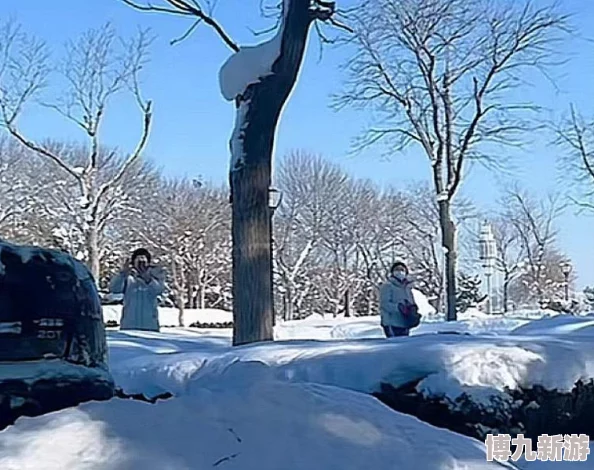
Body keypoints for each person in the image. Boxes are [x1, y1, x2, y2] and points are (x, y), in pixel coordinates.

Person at [110, 248, 165, 332]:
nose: (141, 265)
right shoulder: (128, 277)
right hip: (129, 324)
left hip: (150, 324)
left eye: (143, 261)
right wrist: (123, 274)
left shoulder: (155, 275)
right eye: (138, 261)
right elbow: (115, 289)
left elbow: (158, 290)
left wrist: (147, 279)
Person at [379, 261, 421, 337]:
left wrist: (413, 308)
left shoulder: (407, 287)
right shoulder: (387, 286)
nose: (400, 272)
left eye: (402, 270)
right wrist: (398, 307)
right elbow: (384, 304)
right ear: (392, 272)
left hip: (405, 322)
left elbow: (411, 301)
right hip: (391, 322)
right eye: (397, 269)